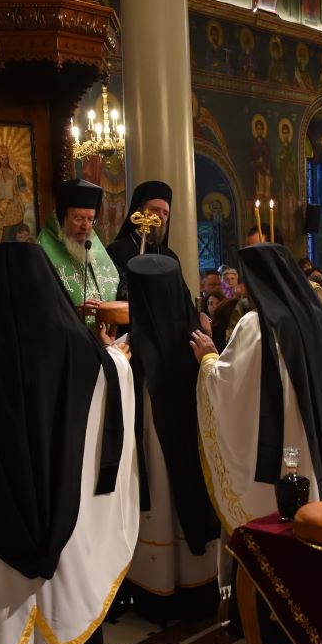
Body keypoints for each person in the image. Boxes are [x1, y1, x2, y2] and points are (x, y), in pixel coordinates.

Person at [0, 241, 138, 644]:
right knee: (64, 579)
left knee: (7, 584)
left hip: (0, 504)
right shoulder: (72, 341)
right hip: (62, 496)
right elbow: (108, 380)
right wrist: (116, 358)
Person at [193, 243, 322, 533]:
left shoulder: (257, 325)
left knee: (284, 524)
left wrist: (208, 358)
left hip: (285, 446)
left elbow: (229, 384)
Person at [123, 255, 222, 622]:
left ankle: (158, 592)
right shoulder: (198, 338)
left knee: (162, 502)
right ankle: (196, 588)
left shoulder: (131, 346)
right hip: (189, 447)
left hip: (154, 445)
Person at [39, 178, 119, 321]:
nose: (86, 227)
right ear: (62, 218)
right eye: (78, 219)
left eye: (90, 219)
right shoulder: (41, 252)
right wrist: (76, 312)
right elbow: (38, 307)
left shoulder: (93, 244)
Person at [106, 180, 174, 300]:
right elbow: (111, 291)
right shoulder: (116, 251)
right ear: (138, 213)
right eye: (155, 210)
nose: (161, 217)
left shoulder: (170, 257)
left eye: (165, 213)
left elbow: (181, 298)